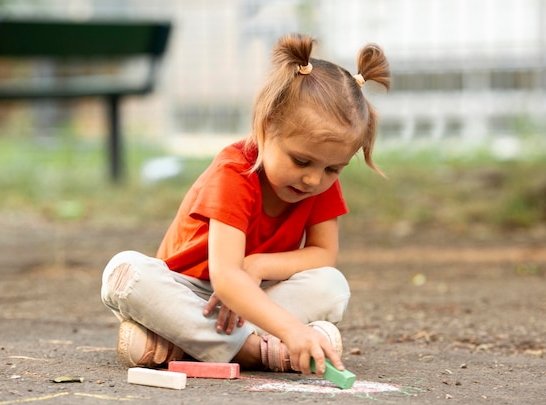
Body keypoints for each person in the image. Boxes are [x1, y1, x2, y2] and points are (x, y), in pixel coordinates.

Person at [101, 33, 390, 377]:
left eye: (333, 168)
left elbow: (322, 255)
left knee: (331, 286)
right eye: (301, 161)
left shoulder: (318, 179)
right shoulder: (235, 171)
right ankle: (254, 351)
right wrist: (293, 331)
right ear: (267, 126)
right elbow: (225, 278)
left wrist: (256, 266)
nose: (314, 179)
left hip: (253, 294)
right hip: (189, 292)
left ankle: (178, 344)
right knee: (126, 272)